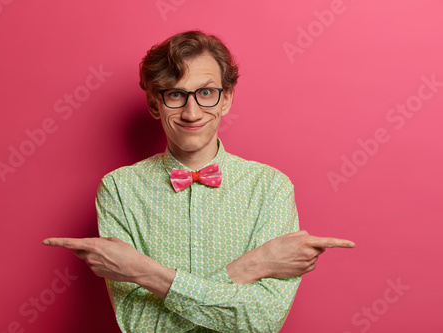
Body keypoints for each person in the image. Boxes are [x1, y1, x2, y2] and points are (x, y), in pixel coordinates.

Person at [43, 30, 356, 332]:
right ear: (155, 104)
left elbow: (261, 322)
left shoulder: (271, 187)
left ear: (226, 99)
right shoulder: (119, 190)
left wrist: (145, 272)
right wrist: (252, 266)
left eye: (206, 93)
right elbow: (140, 326)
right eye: (176, 94)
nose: (192, 113)